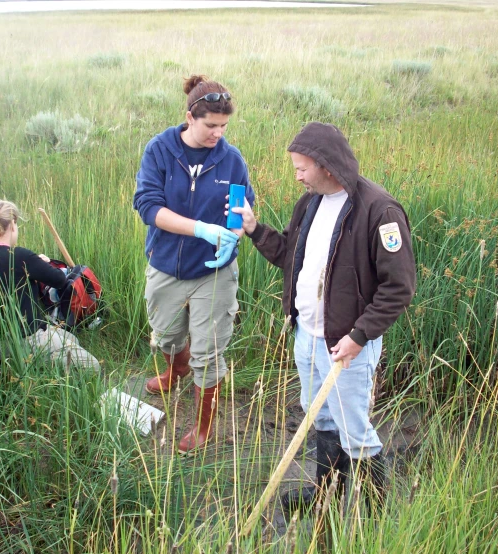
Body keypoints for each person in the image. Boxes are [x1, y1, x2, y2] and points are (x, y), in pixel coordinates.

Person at [231, 122, 416, 516]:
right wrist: (253, 229)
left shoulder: (379, 211)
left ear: (326, 166)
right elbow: (290, 257)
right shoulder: (310, 203)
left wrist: (358, 336)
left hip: (347, 347)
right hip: (307, 337)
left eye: (301, 168)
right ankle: (325, 494)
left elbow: (398, 287)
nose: (296, 175)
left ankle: (372, 512)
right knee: (322, 420)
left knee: (355, 431)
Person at [133, 75, 255, 455]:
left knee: (209, 353)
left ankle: (202, 428)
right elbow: (148, 207)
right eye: (210, 125)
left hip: (214, 272)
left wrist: (234, 231)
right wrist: (201, 229)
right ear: (190, 117)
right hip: (167, 263)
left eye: (224, 126)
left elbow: (243, 207)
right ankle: (175, 370)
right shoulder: (160, 151)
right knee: (165, 335)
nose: (218, 133)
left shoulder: (230, 159)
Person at [0, 200, 100, 371]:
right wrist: (40, 262)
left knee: (71, 339)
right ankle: (22, 365)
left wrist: (34, 264)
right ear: (12, 225)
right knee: (92, 367)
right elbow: (60, 281)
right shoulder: (20, 256)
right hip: (26, 338)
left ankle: (5, 362)